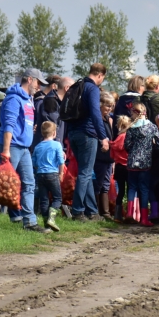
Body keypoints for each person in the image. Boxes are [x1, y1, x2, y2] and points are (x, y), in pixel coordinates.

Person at [0, 68, 46, 232]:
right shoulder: (13, 99)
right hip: (11, 147)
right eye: (38, 82)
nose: (39, 87)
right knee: (0, 184)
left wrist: (28, 130)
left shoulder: (28, 100)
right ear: (30, 80)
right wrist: (5, 150)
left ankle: (30, 223)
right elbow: (8, 125)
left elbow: (20, 123)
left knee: (29, 184)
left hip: (24, 148)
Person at [64, 63, 109, 221]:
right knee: (85, 173)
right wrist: (103, 136)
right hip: (87, 135)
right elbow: (96, 114)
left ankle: (92, 211)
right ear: (100, 75)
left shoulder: (77, 86)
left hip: (73, 133)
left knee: (87, 172)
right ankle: (77, 211)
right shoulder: (92, 89)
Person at [124, 102, 159, 227]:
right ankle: (144, 218)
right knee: (144, 189)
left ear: (134, 113)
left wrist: (133, 150)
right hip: (145, 163)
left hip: (132, 162)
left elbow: (126, 145)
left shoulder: (131, 127)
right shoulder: (152, 127)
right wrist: (151, 148)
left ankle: (130, 213)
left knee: (131, 188)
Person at [32, 121, 66, 232]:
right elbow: (61, 161)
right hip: (52, 174)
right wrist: (61, 173)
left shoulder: (37, 146)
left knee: (44, 200)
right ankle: (51, 219)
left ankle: (46, 224)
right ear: (54, 133)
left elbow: (34, 163)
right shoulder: (57, 145)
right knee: (57, 198)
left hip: (40, 175)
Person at [94, 93, 116, 219]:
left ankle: (106, 212)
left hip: (108, 157)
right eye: (107, 106)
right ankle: (96, 211)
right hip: (100, 156)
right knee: (98, 183)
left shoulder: (108, 119)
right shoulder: (97, 120)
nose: (109, 109)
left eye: (111, 106)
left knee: (106, 184)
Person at [111, 116, 131, 221]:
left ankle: (117, 215)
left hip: (119, 166)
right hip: (128, 166)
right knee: (130, 190)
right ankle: (130, 212)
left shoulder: (117, 138)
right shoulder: (128, 136)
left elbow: (113, 153)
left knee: (121, 191)